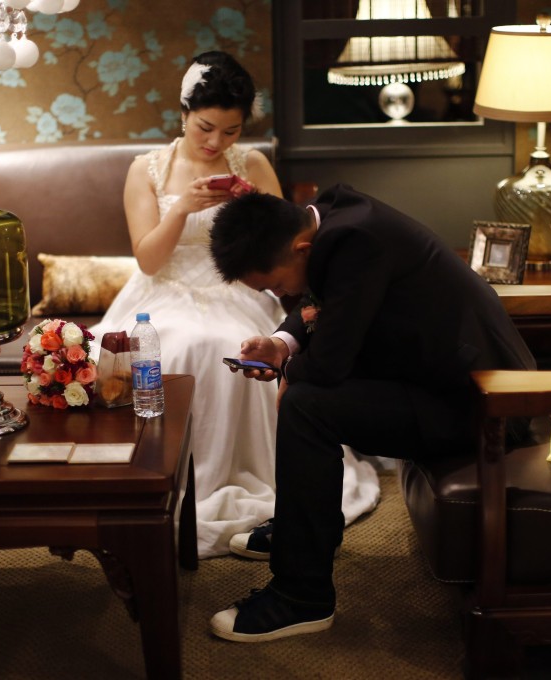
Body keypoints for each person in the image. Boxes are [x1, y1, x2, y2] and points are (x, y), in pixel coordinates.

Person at [206, 185, 536, 641]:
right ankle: (305, 533)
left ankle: (301, 598)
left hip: (483, 403)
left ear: (301, 249)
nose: (281, 294)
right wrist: (282, 344)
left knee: (305, 407)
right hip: (438, 380)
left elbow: (328, 365)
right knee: (305, 398)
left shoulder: (356, 241)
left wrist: (288, 372)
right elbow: (321, 299)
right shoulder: (328, 219)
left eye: (276, 285)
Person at [89, 52, 380, 559]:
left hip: (237, 288)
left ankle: (247, 474)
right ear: (184, 112)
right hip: (163, 292)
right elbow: (149, 260)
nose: (215, 142)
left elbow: (288, 245)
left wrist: (249, 205)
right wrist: (182, 208)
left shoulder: (253, 163)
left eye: (231, 131)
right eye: (205, 128)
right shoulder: (146, 170)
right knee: (175, 344)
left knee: (230, 345)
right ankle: (161, 481)